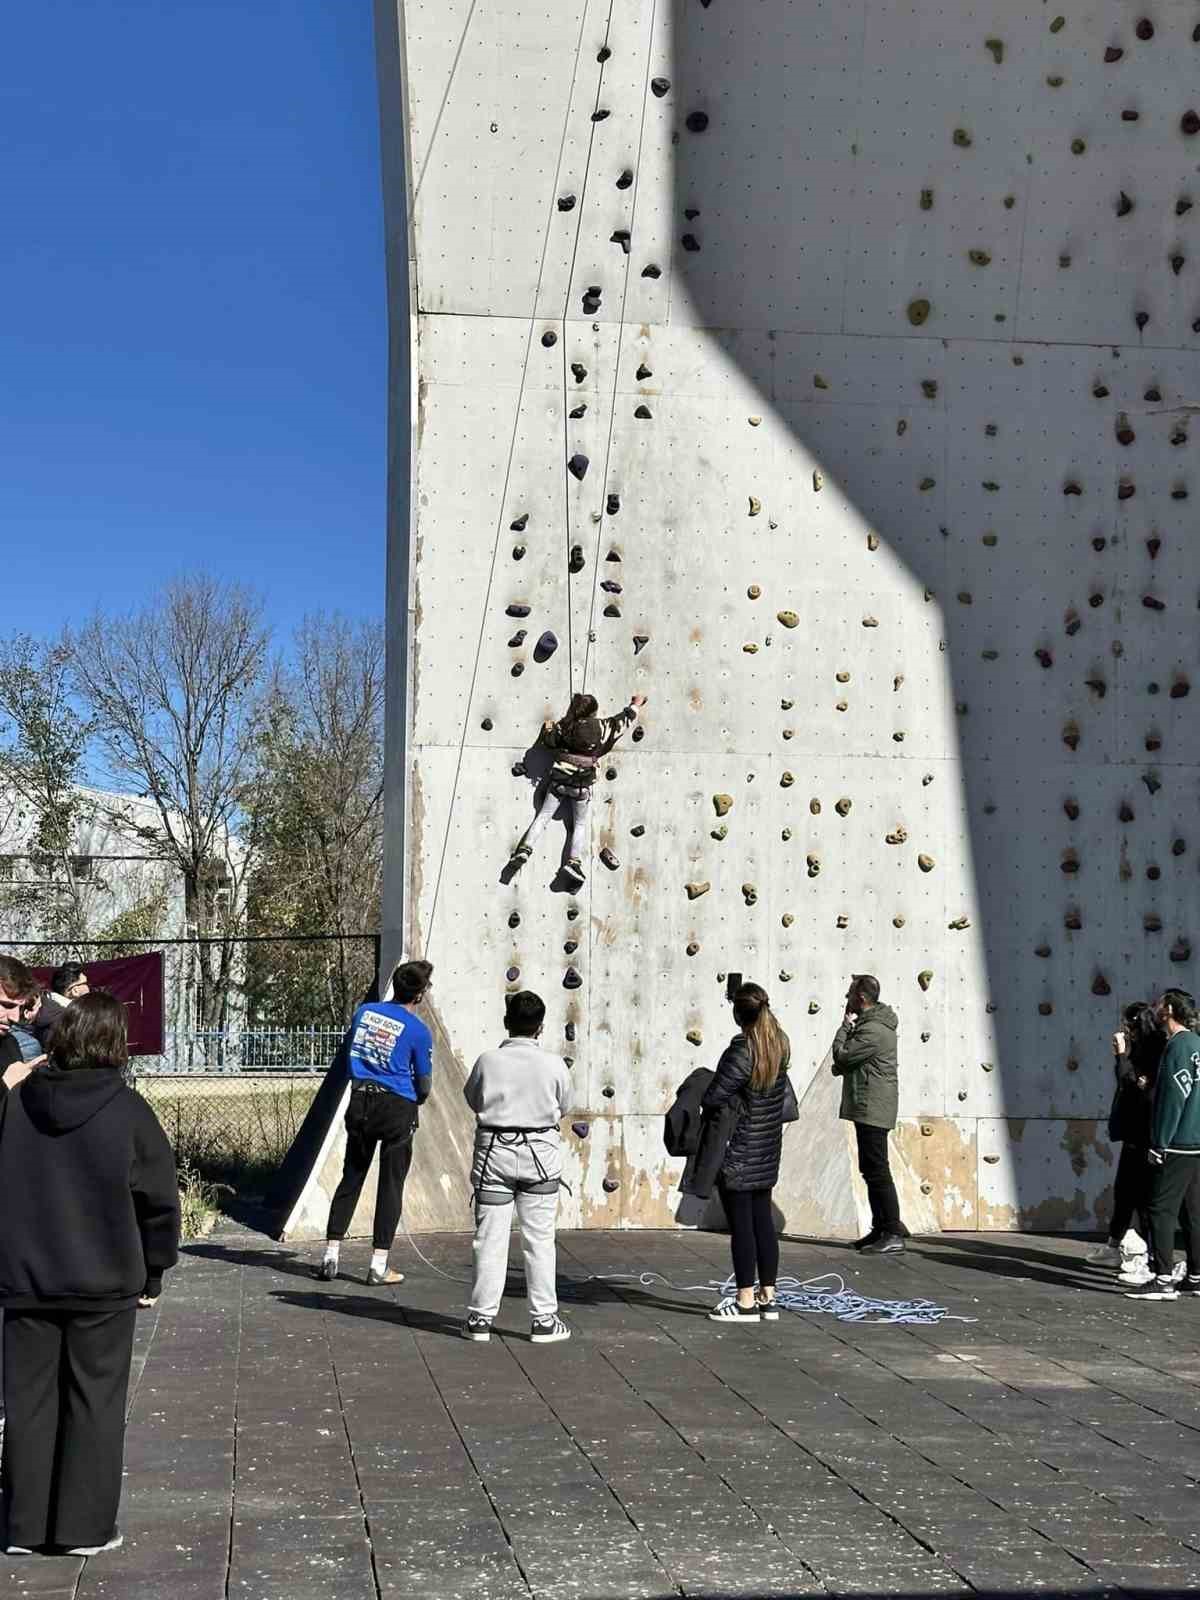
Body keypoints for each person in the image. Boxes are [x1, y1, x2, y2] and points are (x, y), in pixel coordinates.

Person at [0, 992, 179, 1557]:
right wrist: (154, 1271)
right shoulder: (129, 1112)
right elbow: (158, 1201)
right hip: (104, 1282)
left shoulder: (17, 1103)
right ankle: (83, 1529)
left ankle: (23, 1527)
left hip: (25, 1279)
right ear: (114, 1045)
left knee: (26, 1402)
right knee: (94, 1401)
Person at [316, 959, 434, 1286]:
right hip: (397, 1107)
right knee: (391, 1184)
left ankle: (331, 1254)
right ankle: (378, 1264)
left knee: (351, 1177)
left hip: (360, 1100)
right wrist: (413, 1102)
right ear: (420, 994)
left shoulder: (364, 1012)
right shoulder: (418, 1031)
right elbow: (423, 1085)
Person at [462, 990, 571, 1344]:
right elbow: (564, 1105)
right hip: (540, 1154)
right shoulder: (554, 1064)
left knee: (489, 1239)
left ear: (507, 1022)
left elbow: (472, 1098)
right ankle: (543, 1320)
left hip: (494, 1151)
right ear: (541, 1027)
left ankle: (480, 1319)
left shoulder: (487, 1061)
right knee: (539, 1240)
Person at [701, 982, 795, 1322]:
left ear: (739, 1014)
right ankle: (768, 1297)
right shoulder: (779, 1044)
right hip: (768, 1146)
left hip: (739, 1149)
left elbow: (713, 1096)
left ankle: (744, 1301)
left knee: (741, 1227)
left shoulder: (743, 1050)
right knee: (762, 1224)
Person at [509, 691, 647, 886]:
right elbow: (624, 721)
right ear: (594, 711)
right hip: (581, 786)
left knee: (542, 817)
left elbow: (550, 741)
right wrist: (636, 704)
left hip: (559, 782)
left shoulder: (565, 726)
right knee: (579, 825)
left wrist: (547, 729)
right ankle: (573, 863)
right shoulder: (602, 726)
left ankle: (524, 850)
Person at [1127, 989, 1200, 1301]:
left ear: (1169, 1009)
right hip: (1196, 1142)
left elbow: (1173, 1098)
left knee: (1160, 1209)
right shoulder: (1197, 1044)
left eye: (1160, 1004)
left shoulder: (1178, 1046)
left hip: (1178, 1142)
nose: (1156, 1009)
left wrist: (1160, 1142)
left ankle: (1164, 1278)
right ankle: (1196, 1276)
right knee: (1192, 1212)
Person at [831, 974, 906, 1254]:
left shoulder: (872, 1029)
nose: (846, 999)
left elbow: (843, 1056)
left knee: (877, 1170)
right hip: (870, 1103)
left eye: (850, 994)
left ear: (861, 998)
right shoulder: (872, 1027)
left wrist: (844, 1027)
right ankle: (880, 1229)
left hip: (873, 1106)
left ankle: (892, 1231)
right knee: (871, 1169)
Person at [1098, 1002, 1166, 1285]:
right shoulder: (1143, 1047)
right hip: (1134, 1133)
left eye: (1130, 1025)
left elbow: (1132, 1083)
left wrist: (1122, 1055)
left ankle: (1145, 1258)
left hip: (1146, 1134)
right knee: (1125, 1191)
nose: (1126, 1030)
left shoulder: (1153, 1049)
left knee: (1142, 1197)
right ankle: (1116, 1247)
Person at [0, 955, 40, 1088]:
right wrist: (5, 1085)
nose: (15, 1018)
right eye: (7, 1005)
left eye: (21, 1007)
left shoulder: (10, 1043)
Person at [32, 960, 90, 1049]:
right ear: (75, 990)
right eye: (86, 983)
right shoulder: (68, 1019)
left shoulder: (49, 1010)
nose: (89, 988)